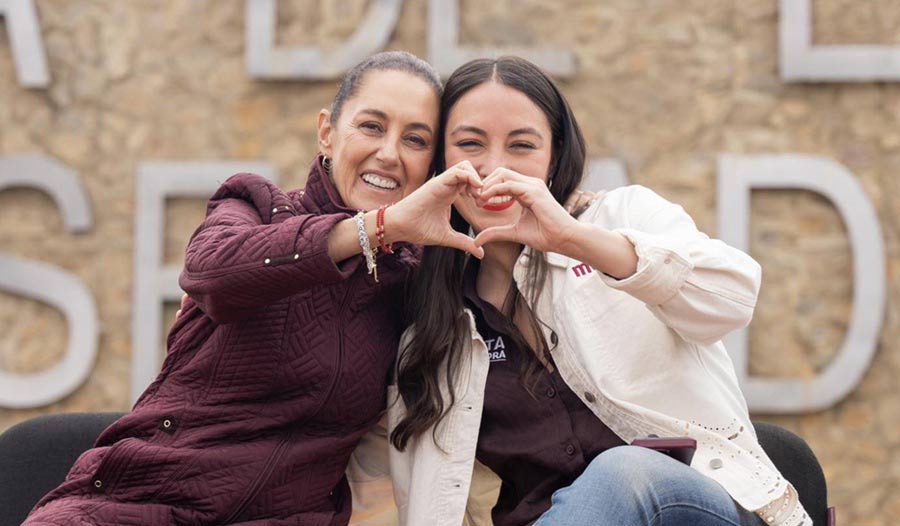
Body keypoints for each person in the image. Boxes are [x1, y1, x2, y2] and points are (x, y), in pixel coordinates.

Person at [22, 51, 489, 526]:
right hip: (139, 504)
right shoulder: (254, 206)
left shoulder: (419, 280)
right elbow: (212, 273)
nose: (390, 153)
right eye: (371, 126)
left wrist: (560, 214)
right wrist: (373, 229)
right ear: (327, 132)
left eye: (415, 140)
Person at [380, 56, 813, 526]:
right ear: (442, 160)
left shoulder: (624, 216)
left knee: (623, 472)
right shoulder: (432, 314)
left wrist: (572, 238)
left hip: (689, 509)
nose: (494, 168)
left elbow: (732, 297)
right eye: (470, 144)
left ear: (555, 153)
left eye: (522, 145)